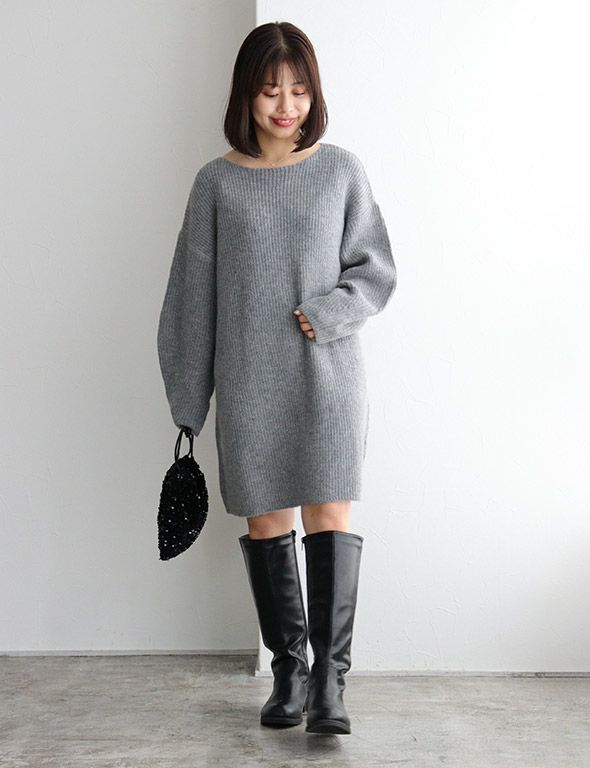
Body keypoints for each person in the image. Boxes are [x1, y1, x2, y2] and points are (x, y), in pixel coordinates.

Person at [157, 21, 397, 735]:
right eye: (270, 91)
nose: (286, 105)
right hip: (250, 384)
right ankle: (289, 670)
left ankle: (330, 682)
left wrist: (327, 313)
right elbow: (191, 300)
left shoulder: (341, 171)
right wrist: (189, 401)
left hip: (330, 378)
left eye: (298, 90)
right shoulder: (216, 183)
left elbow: (375, 271)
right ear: (246, 95)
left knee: (329, 515)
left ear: (313, 94)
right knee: (266, 521)